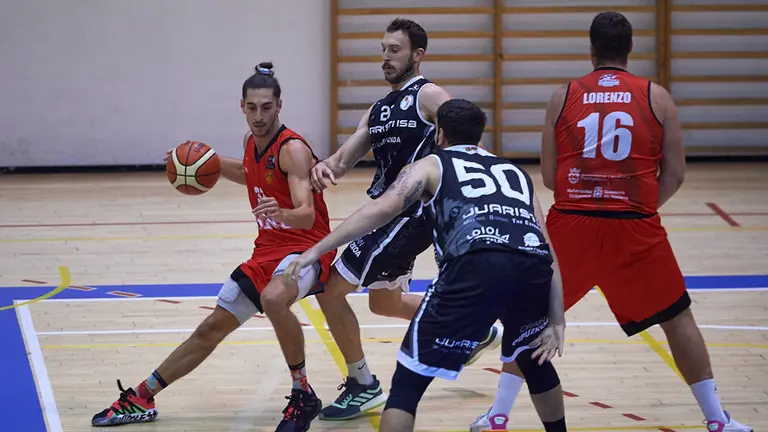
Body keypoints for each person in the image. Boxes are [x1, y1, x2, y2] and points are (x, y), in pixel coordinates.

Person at [470, 11, 753, 432]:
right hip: (634, 227)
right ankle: (716, 419)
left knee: (528, 314)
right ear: (630, 49)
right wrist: (637, 206)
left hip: (571, 224)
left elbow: (549, 177)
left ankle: (498, 415)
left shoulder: (563, 95)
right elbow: (674, 174)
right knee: (678, 318)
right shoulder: (657, 97)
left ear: (591, 50)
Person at [284, 98, 568, 432]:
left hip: (474, 263)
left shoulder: (430, 163)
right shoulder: (517, 174)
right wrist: (557, 320)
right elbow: (546, 248)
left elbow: (381, 210)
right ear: (480, 135)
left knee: (406, 386)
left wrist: (317, 249)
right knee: (534, 362)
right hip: (530, 269)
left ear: (439, 133)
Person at [91, 62, 337, 431]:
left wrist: (282, 212)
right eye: (251, 108)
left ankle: (303, 394)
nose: (258, 115)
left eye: (266, 107)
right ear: (242, 107)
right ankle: (142, 395)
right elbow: (248, 172)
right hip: (267, 250)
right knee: (210, 327)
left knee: (272, 299)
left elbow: (304, 215)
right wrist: (202, 162)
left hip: (307, 249)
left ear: (279, 106)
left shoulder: (293, 150)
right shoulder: (250, 143)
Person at [308, 17, 502, 421]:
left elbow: (467, 142)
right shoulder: (379, 109)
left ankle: (363, 385)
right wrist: (323, 168)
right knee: (384, 302)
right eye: (383, 49)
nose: (385, 57)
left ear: (418, 55)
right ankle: (474, 327)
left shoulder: (427, 94)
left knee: (329, 290)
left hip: (408, 216)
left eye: (394, 50)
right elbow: (343, 160)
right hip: (388, 214)